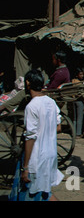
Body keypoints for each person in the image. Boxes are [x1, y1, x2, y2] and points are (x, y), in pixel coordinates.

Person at [9, 69, 64, 201]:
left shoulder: (32, 106)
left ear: (27, 83)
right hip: (49, 156)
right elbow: (59, 127)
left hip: (36, 157)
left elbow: (31, 138)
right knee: (45, 192)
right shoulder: (51, 102)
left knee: (29, 193)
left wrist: (26, 167)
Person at [72, 68, 84, 137]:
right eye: (80, 74)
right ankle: (78, 133)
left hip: (73, 100)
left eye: (82, 74)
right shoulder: (79, 82)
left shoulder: (73, 81)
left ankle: (73, 132)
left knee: (74, 118)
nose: (82, 76)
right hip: (79, 100)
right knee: (79, 118)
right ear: (77, 75)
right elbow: (80, 93)